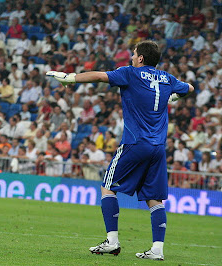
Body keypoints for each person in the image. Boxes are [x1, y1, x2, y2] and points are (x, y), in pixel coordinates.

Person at [47, 41, 194, 260]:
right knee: (154, 198)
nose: (132, 58)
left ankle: (112, 241)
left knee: (107, 186)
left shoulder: (131, 73)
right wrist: (173, 96)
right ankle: (157, 249)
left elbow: (99, 76)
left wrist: (70, 77)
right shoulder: (167, 78)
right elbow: (190, 88)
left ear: (141, 58)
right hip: (158, 148)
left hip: (135, 143)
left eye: (134, 54)